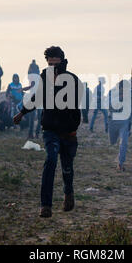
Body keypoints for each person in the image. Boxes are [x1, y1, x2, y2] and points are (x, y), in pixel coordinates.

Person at [13, 46, 83, 218]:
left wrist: (73, 127)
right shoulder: (45, 77)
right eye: (49, 63)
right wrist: (22, 112)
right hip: (50, 129)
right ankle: (45, 205)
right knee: (50, 161)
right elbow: (37, 96)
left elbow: (77, 107)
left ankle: (68, 193)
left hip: (68, 131)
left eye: (55, 63)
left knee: (67, 168)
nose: (52, 66)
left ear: (62, 61)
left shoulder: (73, 80)